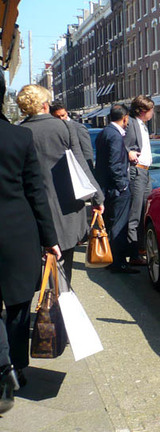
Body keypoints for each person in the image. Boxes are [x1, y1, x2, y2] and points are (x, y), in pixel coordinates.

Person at [0, 74, 62, 395]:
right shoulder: (19, 138)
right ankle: (15, 370)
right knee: (18, 304)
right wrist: (50, 239)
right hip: (16, 233)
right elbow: (35, 193)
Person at [17, 84, 104, 283]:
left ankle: (47, 301)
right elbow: (81, 164)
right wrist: (97, 197)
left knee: (42, 262)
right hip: (67, 206)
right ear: (45, 105)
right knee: (65, 262)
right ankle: (61, 301)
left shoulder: (20, 132)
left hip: (34, 208)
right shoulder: (64, 127)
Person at [95, 104, 138, 274]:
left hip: (107, 187)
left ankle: (112, 259)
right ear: (125, 117)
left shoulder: (104, 133)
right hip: (117, 189)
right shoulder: (115, 136)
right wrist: (123, 184)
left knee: (111, 223)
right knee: (119, 225)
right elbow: (114, 164)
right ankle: (118, 262)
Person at [124, 95, 155, 266]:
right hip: (137, 173)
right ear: (143, 111)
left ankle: (141, 249)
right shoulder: (132, 124)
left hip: (145, 173)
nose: (152, 113)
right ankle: (133, 253)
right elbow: (124, 145)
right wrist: (128, 152)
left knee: (145, 211)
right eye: (151, 110)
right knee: (135, 214)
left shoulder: (142, 125)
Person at [50, 102, 95, 171]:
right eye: (57, 117)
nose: (61, 118)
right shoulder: (53, 130)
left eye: (63, 115)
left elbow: (87, 152)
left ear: (67, 113)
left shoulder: (78, 128)